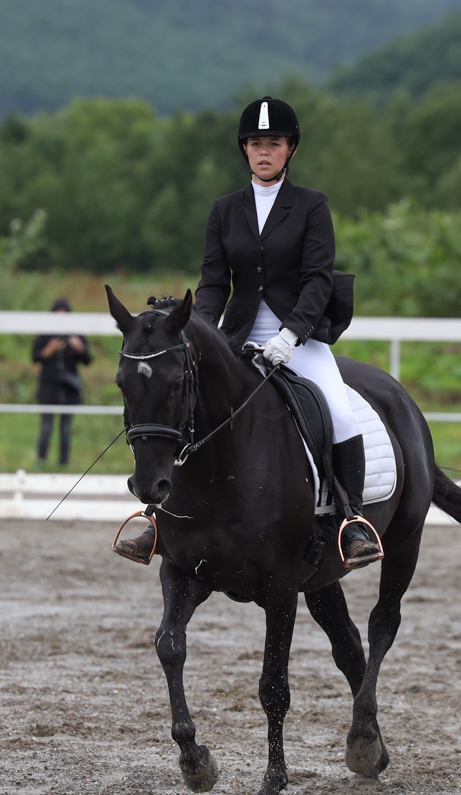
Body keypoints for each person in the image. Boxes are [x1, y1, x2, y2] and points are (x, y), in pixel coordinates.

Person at [115, 95, 382, 570]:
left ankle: (351, 520)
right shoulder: (224, 210)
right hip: (234, 337)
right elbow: (214, 283)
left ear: (290, 149)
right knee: (189, 409)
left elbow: (318, 278)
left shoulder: (311, 206)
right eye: (256, 143)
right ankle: (160, 519)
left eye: (274, 144)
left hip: (298, 338)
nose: (264, 151)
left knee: (338, 412)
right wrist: (200, 331)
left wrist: (290, 335)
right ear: (244, 149)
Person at [32, 298, 91, 466]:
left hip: (69, 388)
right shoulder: (45, 334)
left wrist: (80, 349)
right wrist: (48, 351)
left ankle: (63, 463)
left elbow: (87, 360)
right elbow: (35, 357)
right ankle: (41, 460)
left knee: (66, 429)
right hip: (48, 387)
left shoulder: (76, 334)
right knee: (46, 427)